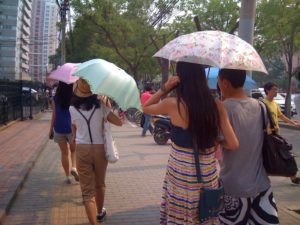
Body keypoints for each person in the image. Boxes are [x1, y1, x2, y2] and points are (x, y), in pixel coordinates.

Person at [143, 62, 239, 224]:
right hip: (207, 175)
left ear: (180, 78)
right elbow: (234, 144)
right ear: (202, 78)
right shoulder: (218, 106)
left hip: (180, 175)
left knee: (181, 217)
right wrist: (216, 141)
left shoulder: (172, 104)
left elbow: (146, 107)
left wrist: (165, 88)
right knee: (204, 214)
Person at [218, 69, 279, 225]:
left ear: (225, 83)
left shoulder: (222, 109)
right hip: (261, 185)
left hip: (233, 186)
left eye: (219, 81)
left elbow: (214, 145)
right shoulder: (261, 106)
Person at [69, 78, 122, 225]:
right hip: (99, 149)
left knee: (87, 192)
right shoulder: (101, 106)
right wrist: (107, 105)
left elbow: (74, 129)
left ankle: (93, 222)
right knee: (100, 184)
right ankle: (99, 213)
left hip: (82, 149)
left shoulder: (72, 108)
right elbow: (119, 122)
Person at [263, 82, 300, 186]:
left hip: (275, 135)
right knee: (285, 156)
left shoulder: (274, 104)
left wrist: (294, 123)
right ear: (267, 90)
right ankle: (293, 177)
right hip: (267, 137)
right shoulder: (263, 104)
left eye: (276, 89)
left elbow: (281, 116)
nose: (276, 91)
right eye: (274, 89)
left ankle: (293, 177)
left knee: (282, 156)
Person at [49, 81, 79, 184]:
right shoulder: (74, 97)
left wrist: (50, 130)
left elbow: (54, 115)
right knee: (74, 151)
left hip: (59, 128)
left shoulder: (55, 98)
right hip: (72, 128)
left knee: (64, 153)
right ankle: (74, 168)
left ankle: (67, 177)